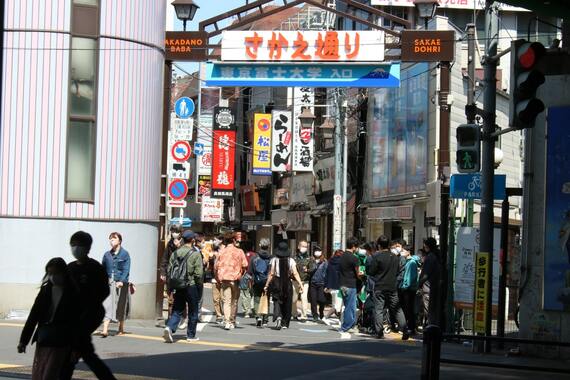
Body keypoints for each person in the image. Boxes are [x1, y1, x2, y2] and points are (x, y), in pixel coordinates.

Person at [60, 231, 116, 380]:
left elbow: (104, 290)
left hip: (90, 315)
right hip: (74, 317)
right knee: (82, 352)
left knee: (77, 351)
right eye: (73, 245)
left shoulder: (95, 268)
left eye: (79, 245)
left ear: (88, 248)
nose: (76, 248)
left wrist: (89, 303)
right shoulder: (69, 268)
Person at [18, 258, 78, 380]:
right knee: (40, 371)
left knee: (52, 374)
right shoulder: (46, 290)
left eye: (56, 273)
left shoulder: (73, 292)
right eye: (50, 273)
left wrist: (76, 348)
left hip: (62, 342)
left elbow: (77, 323)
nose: (52, 277)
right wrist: (23, 340)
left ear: (63, 273)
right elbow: (33, 316)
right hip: (44, 339)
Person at [163, 230, 203, 342]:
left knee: (177, 309)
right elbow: (199, 274)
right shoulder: (195, 254)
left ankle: (169, 327)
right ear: (193, 240)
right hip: (191, 285)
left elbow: (169, 270)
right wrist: (199, 288)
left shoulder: (175, 253)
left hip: (178, 285)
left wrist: (170, 286)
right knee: (193, 311)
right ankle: (191, 335)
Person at [367, 235, 409, 340]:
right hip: (392, 286)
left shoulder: (377, 257)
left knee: (379, 309)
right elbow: (399, 270)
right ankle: (405, 330)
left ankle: (379, 332)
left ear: (379, 245)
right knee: (397, 309)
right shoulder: (395, 257)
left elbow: (371, 271)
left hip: (380, 286)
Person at [264, 241, 303, 330]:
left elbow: (271, 273)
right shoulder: (291, 260)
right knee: (287, 302)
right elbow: (295, 273)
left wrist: (266, 284)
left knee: (277, 300)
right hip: (287, 282)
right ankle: (285, 323)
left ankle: (278, 316)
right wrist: (300, 284)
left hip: (276, 282)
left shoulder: (274, 260)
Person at [214, 232, 248, 330]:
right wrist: (241, 273)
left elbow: (216, 266)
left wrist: (217, 278)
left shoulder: (221, 252)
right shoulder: (239, 251)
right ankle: (232, 321)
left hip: (224, 278)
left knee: (226, 301)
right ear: (233, 240)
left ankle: (227, 322)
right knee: (234, 301)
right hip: (236, 279)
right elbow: (245, 265)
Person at [101, 232, 131, 337]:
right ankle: (105, 329)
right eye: (110, 239)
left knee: (121, 305)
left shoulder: (125, 254)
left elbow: (126, 269)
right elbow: (102, 269)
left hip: (121, 283)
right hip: (109, 283)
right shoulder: (107, 255)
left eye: (114, 239)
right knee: (107, 305)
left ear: (120, 241)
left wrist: (122, 281)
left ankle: (121, 327)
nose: (111, 241)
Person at [158, 225, 183, 328]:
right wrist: (163, 272)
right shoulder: (169, 244)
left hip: (181, 275)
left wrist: (179, 247)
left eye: (176, 231)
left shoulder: (184, 243)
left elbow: (184, 257)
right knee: (170, 299)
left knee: (181, 298)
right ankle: (170, 319)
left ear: (180, 232)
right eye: (173, 231)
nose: (174, 233)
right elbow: (164, 259)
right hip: (170, 276)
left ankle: (182, 319)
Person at [338, 237, 362, 334]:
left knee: (347, 305)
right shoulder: (354, 258)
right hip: (351, 284)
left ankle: (349, 325)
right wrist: (362, 277)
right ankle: (346, 326)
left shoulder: (341, 256)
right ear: (353, 246)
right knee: (350, 307)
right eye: (356, 247)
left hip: (342, 284)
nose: (357, 249)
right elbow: (358, 273)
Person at [418, 237, 442, 326]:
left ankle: (430, 328)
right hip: (437, 287)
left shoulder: (430, 257)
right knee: (435, 310)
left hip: (428, 288)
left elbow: (425, 275)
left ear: (427, 246)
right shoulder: (438, 255)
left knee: (429, 310)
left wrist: (419, 284)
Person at [249, 238, 272, 327]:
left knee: (257, 299)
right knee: (266, 299)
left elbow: (250, 271)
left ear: (260, 245)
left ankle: (258, 317)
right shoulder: (271, 257)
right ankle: (265, 319)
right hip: (267, 281)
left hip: (257, 281)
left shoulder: (254, 257)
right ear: (268, 246)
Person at [399, 248, 421, 335]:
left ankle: (410, 327)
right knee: (409, 308)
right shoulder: (409, 262)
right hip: (410, 288)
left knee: (409, 309)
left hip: (409, 289)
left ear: (408, 252)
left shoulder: (411, 263)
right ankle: (410, 327)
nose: (401, 252)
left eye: (403, 251)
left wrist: (404, 287)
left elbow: (409, 277)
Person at [293, 240, 311, 320]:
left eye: (306, 246)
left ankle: (304, 315)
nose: (304, 248)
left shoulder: (309, 258)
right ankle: (294, 313)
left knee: (304, 298)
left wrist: (308, 270)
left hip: (305, 281)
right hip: (295, 281)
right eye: (303, 246)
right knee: (294, 298)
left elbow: (313, 268)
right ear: (298, 247)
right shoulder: (294, 257)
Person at [308, 246, 328, 323]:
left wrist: (327, 284)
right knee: (313, 300)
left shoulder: (324, 261)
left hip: (321, 283)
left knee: (322, 300)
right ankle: (315, 314)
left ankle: (321, 311)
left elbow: (327, 273)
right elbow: (307, 269)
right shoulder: (311, 260)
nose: (317, 252)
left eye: (319, 251)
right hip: (313, 283)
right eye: (316, 251)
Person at [323, 249, 343, 324]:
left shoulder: (330, 261)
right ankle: (340, 320)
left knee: (335, 304)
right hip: (339, 286)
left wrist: (326, 285)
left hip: (331, 286)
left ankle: (326, 317)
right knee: (338, 305)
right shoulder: (342, 263)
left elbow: (327, 274)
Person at [239, 241, 256, 318]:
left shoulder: (243, 256)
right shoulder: (255, 256)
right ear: (252, 247)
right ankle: (253, 309)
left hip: (245, 275)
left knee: (245, 294)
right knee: (253, 294)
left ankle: (246, 312)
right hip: (253, 277)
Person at [211, 235, 225, 324]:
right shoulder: (213, 252)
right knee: (216, 299)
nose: (215, 240)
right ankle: (219, 316)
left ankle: (226, 315)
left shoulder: (226, 252)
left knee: (224, 299)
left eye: (218, 239)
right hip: (215, 278)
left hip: (224, 278)